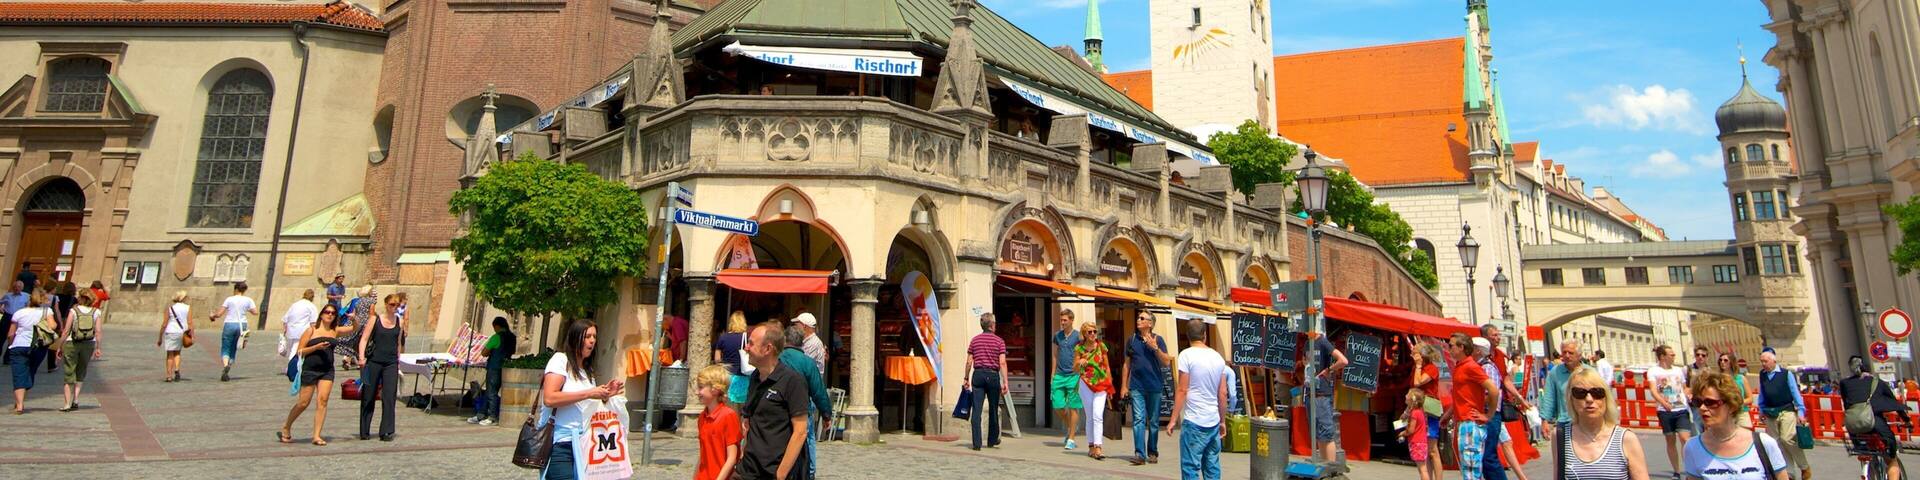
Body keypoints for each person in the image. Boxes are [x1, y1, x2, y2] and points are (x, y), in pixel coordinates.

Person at [539, 319, 624, 480]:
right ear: (574, 338)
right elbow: (550, 398)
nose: (592, 341)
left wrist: (605, 395)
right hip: (559, 444)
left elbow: (587, 405)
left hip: (584, 444)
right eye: (587, 336)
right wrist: (589, 393)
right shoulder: (560, 360)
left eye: (594, 337)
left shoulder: (586, 372)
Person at [1684, 372, 1789, 480]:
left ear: (1731, 406)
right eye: (1698, 402)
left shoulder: (1764, 443)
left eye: (1710, 402)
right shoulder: (1693, 447)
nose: (1702, 408)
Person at [738, 321, 809, 480]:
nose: (746, 348)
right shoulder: (755, 377)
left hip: (773, 471)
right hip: (748, 469)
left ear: (768, 349)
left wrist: (781, 474)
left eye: (751, 343)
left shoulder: (792, 381)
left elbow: (800, 432)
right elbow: (748, 422)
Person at [1559, 366, 1650, 480]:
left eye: (1597, 392)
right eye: (1580, 393)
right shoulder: (1561, 436)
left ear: (1606, 398)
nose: (1589, 399)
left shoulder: (1626, 439)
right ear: (1571, 398)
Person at [1166, 319, 1228, 480]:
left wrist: (1173, 419)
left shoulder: (1186, 355)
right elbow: (1222, 393)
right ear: (1205, 335)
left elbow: (1182, 389)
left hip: (1194, 420)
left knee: (1190, 467)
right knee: (1212, 466)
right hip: (1213, 420)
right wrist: (1222, 420)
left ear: (1188, 336)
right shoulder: (1217, 357)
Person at [280, 304, 341, 445]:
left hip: (327, 370)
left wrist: (355, 319)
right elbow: (300, 351)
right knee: (303, 403)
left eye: (333, 313)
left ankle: (317, 436)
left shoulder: (334, 331)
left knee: (323, 401)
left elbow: (353, 329)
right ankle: (286, 426)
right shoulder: (311, 330)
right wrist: (316, 347)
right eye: (327, 312)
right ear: (321, 314)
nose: (330, 315)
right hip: (310, 369)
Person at [1841, 356, 1908, 480]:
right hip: (1876, 424)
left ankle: (1869, 469)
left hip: (1854, 426)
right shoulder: (1877, 382)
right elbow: (1895, 404)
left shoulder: (1844, 383)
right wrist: (1907, 420)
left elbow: (1847, 404)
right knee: (1892, 459)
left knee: (1865, 450)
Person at [1120, 311, 1171, 466]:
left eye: (1142, 318)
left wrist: (1155, 348)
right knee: (1138, 419)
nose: (1138, 320)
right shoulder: (1132, 340)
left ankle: (1153, 452)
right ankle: (1140, 454)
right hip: (1137, 386)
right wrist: (1124, 385)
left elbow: (1167, 362)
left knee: (1154, 421)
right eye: (1138, 317)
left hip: (1154, 386)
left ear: (1150, 323)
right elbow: (1127, 363)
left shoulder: (1158, 339)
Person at [779, 323, 829, 479]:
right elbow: (818, 390)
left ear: (785, 340)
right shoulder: (807, 363)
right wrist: (826, 414)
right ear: (802, 342)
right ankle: (808, 472)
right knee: (805, 440)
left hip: (778, 409)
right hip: (801, 409)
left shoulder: (776, 359)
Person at [1751, 348, 1809, 480]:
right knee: (1777, 443)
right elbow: (1762, 393)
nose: (1763, 364)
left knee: (1787, 438)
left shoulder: (1785, 374)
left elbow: (1795, 392)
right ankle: (1789, 473)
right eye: (1761, 362)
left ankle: (1804, 466)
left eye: (1765, 361)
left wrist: (1801, 411)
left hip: (1786, 409)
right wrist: (1761, 409)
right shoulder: (1762, 375)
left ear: (1773, 361)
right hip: (1770, 412)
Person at [1479, 326, 1528, 480]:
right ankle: (1521, 476)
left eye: (1498, 334)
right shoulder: (1482, 358)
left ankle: (1521, 476)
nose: (1498, 337)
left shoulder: (1498, 356)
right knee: (1498, 447)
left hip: (1493, 409)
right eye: (1494, 335)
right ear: (1485, 338)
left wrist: (1519, 398)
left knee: (1491, 453)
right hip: (1491, 410)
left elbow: (1504, 381)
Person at [1447, 333, 1497, 480]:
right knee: (1469, 469)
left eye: (1451, 346)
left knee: (1470, 471)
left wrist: (1489, 415)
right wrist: (1448, 414)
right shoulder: (1461, 366)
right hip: (1464, 421)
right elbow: (1461, 395)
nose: (1449, 349)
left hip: (1470, 423)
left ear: (1461, 347)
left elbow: (1493, 390)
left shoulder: (1470, 366)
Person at [356, 294, 404, 441]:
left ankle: (387, 431)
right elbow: (363, 339)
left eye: (397, 305)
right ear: (385, 304)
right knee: (368, 396)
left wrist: (399, 360)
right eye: (391, 304)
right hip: (374, 362)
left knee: (389, 396)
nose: (394, 307)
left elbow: (398, 342)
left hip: (390, 363)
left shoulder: (399, 321)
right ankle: (365, 430)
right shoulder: (374, 319)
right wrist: (362, 357)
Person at [964, 313, 1009, 451]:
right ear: (991, 325)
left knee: (976, 409)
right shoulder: (999, 341)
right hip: (993, 375)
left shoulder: (974, 340)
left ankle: (977, 443)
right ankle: (992, 440)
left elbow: (969, 361)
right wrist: (1005, 381)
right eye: (994, 324)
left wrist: (966, 378)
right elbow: (1002, 362)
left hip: (978, 375)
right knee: (993, 408)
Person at [1649, 345, 1694, 480]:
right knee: (1670, 440)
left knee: (1685, 439)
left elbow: (1684, 387)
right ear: (1663, 356)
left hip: (1681, 409)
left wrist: (1688, 395)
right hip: (1665, 410)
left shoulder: (1678, 370)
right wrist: (1664, 403)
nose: (1674, 356)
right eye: (1672, 354)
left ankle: (1689, 469)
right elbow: (1653, 390)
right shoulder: (1653, 371)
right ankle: (1676, 471)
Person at [1306, 329, 1349, 461]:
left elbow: (1343, 360)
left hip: (1322, 394)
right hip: (1310, 392)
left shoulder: (1323, 342)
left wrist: (1329, 370)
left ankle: (1331, 467)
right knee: (1318, 434)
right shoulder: (1307, 344)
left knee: (1326, 433)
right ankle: (1324, 464)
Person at [57, 291, 103, 412]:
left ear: (80, 298)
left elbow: (66, 330)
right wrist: (98, 347)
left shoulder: (74, 311)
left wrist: (59, 346)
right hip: (89, 343)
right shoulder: (96, 312)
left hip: (73, 342)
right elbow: (98, 331)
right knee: (81, 370)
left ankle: (67, 403)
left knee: (69, 370)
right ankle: (76, 399)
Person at [694, 364, 742, 480]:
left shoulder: (728, 415)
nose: (696, 392)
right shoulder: (702, 417)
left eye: (700, 387)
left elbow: (732, 457)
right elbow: (703, 454)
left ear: (715, 390)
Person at [1075, 320, 1114, 460]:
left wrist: (1110, 385)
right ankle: (1091, 446)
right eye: (1089, 332)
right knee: (1090, 415)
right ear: (1084, 334)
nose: (1093, 334)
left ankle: (1098, 446)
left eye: (1094, 331)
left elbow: (1107, 366)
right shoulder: (1079, 348)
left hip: (1101, 382)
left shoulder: (1101, 346)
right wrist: (1080, 363)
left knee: (1098, 415)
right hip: (1085, 382)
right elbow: (1074, 368)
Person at [470, 316, 517, 426]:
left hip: (494, 367)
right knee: (489, 392)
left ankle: (492, 417)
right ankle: (481, 414)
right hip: (505, 367)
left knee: (491, 392)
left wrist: (492, 352)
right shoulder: (512, 337)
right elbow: (513, 351)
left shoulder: (496, 337)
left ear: (497, 326)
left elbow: (484, 352)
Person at [6, 291, 48, 414]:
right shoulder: (46, 312)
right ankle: (22, 397)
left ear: (28, 300)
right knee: (31, 371)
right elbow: (53, 325)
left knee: (19, 374)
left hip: (18, 345)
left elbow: (11, 333)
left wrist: (10, 345)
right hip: (38, 346)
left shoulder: (19, 313)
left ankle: (19, 405)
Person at [1411, 343, 1446, 480]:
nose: (1412, 354)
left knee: (1432, 449)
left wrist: (1419, 366)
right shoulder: (1417, 368)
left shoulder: (1431, 368)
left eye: (1415, 352)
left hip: (1430, 409)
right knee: (1424, 448)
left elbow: (1417, 383)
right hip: (1419, 409)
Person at [1051, 308, 1083, 451]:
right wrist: (1052, 373)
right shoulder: (1057, 336)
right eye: (1061, 320)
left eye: (1065, 320)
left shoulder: (1078, 337)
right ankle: (1071, 426)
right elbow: (1055, 355)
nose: (1062, 323)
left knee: (1073, 406)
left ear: (1071, 320)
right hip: (1059, 375)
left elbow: (1084, 352)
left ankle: (1071, 438)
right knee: (1057, 405)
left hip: (1074, 375)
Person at [1540, 339, 1585, 441]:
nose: (1567, 355)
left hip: (1586, 422)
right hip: (1565, 422)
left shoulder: (1589, 372)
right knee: (1565, 456)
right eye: (1564, 352)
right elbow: (1548, 398)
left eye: (1571, 353)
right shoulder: (1555, 372)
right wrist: (1544, 421)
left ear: (1579, 354)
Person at [213, 282, 258, 382]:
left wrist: (213, 315)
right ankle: (229, 365)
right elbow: (255, 312)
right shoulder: (248, 300)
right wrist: (246, 309)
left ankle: (225, 365)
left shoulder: (229, 299)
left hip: (229, 324)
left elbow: (219, 313)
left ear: (236, 289)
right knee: (234, 347)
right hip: (242, 325)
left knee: (226, 347)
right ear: (244, 290)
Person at [281, 289, 319, 384]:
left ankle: (292, 367)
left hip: (291, 330)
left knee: (292, 350)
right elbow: (313, 322)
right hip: (302, 331)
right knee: (297, 351)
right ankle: (292, 369)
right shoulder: (311, 306)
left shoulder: (295, 304)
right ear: (312, 297)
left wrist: (285, 329)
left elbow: (286, 318)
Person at [715, 311, 751, 406]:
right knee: (743, 409)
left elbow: (717, 359)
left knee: (728, 408)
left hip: (727, 376)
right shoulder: (746, 337)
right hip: (743, 376)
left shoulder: (723, 337)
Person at [157, 291, 191, 382]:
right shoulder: (187, 308)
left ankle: (169, 375)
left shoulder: (170, 308)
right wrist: (192, 335)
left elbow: (164, 324)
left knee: (170, 354)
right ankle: (177, 369)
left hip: (171, 331)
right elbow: (190, 322)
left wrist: (160, 336)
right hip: (181, 332)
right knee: (177, 353)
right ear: (183, 298)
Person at [1402, 389, 1434, 480]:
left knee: (1422, 470)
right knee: (1422, 469)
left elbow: (1411, 430)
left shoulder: (1414, 413)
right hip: (1421, 443)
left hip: (1417, 443)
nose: (1405, 396)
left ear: (1412, 399)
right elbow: (1403, 419)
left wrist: (1403, 433)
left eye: (1407, 394)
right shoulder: (1419, 412)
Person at [1717, 352, 1752, 428]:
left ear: (1731, 362)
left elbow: (1750, 398)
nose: (1722, 362)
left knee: (1746, 437)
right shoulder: (1717, 379)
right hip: (1725, 414)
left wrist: (1737, 403)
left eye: (1725, 360)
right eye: (1720, 360)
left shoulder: (1741, 378)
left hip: (1741, 413)